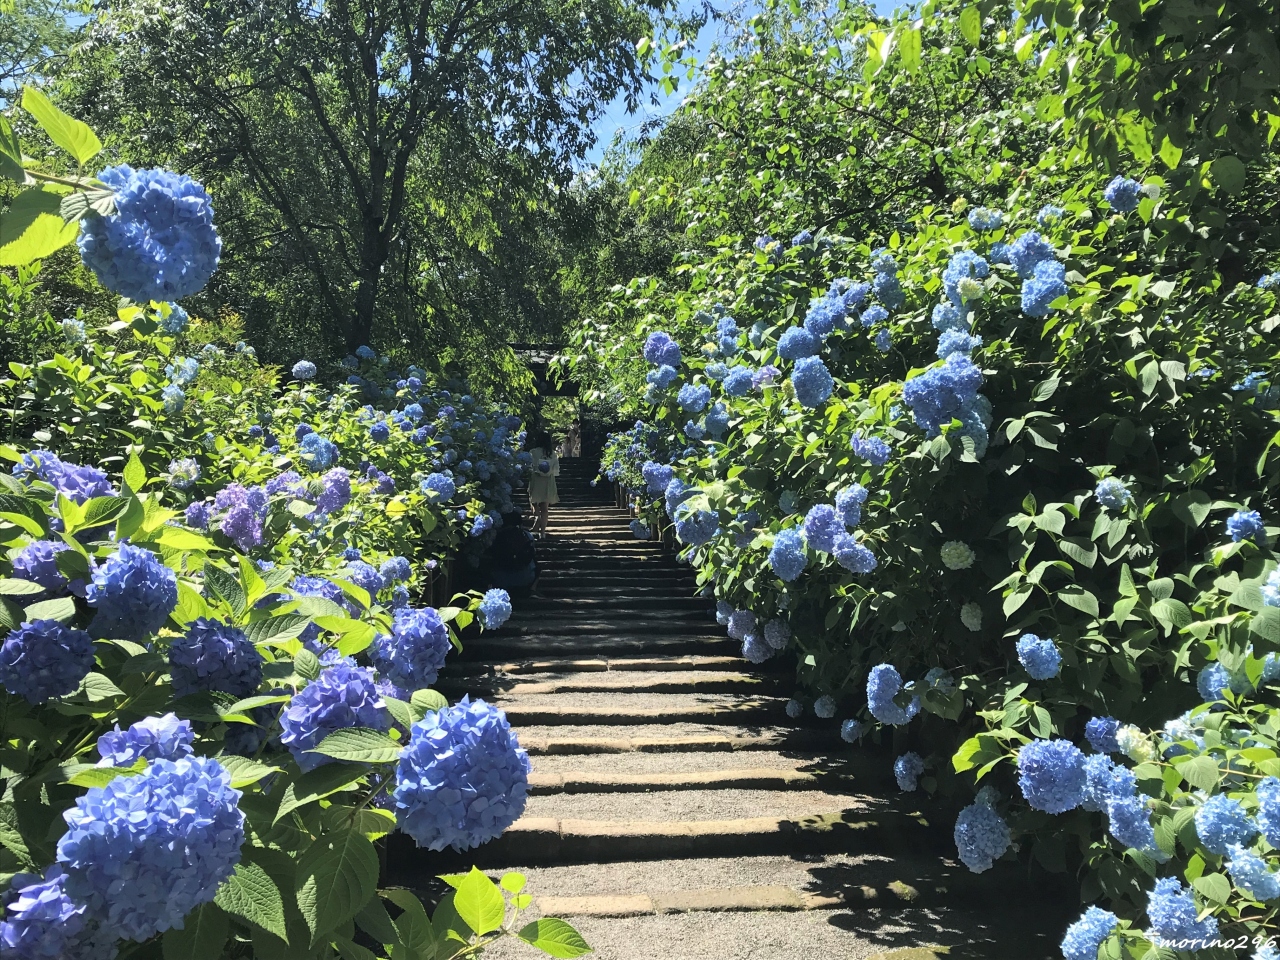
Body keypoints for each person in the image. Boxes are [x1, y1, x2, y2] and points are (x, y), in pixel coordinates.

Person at [526, 429, 559, 537]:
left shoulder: (533, 452)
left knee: (534, 501)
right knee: (545, 507)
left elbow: (529, 467)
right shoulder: (552, 453)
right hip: (548, 480)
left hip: (536, 479)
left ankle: (537, 516)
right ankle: (543, 532)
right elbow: (556, 470)